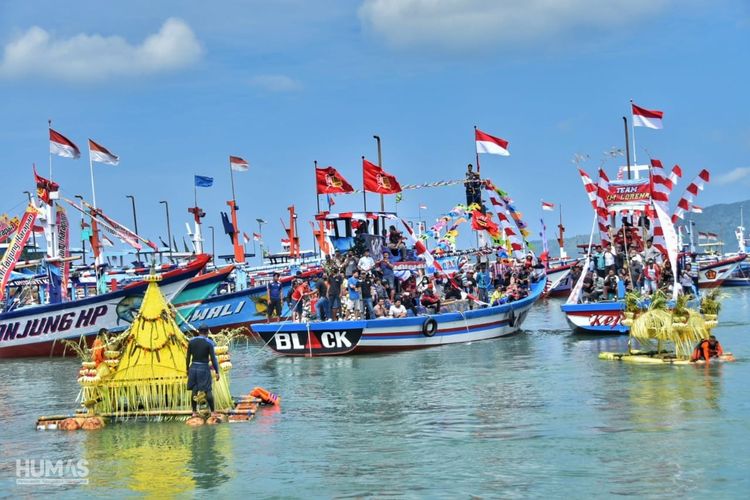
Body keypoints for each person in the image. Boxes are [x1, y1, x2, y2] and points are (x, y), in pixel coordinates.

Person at [187, 326, 220, 417]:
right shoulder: (209, 342)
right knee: (207, 390)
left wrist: (187, 369)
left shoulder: (191, 341)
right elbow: (213, 359)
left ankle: (194, 412)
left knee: (194, 390)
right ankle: (213, 412)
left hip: (193, 367)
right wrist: (217, 371)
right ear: (207, 332)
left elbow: (188, 357)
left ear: (198, 331)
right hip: (203, 367)